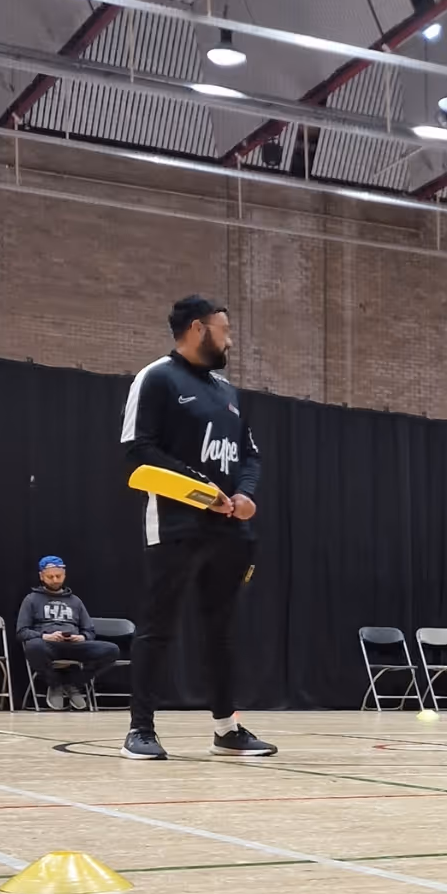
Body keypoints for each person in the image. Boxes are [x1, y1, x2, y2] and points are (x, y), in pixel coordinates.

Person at [118, 295, 275, 761]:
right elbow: (138, 449)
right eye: (223, 330)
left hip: (231, 532)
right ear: (197, 329)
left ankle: (227, 730)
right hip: (176, 525)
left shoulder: (227, 392)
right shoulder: (156, 378)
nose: (230, 339)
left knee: (221, 630)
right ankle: (140, 730)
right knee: (158, 626)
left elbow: (250, 455)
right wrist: (203, 489)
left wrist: (245, 495)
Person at [15, 555, 120, 711]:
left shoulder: (75, 601)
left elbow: (89, 630)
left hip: (75, 645)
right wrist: (45, 636)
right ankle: (55, 684)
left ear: (64, 575)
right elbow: (21, 632)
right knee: (33, 646)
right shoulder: (31, 599)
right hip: (48, 645)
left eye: (58, 576)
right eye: (50, 577)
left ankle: (73, 684)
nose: (55, 580)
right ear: (41, 576)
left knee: (111, 650)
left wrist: (82, 637)